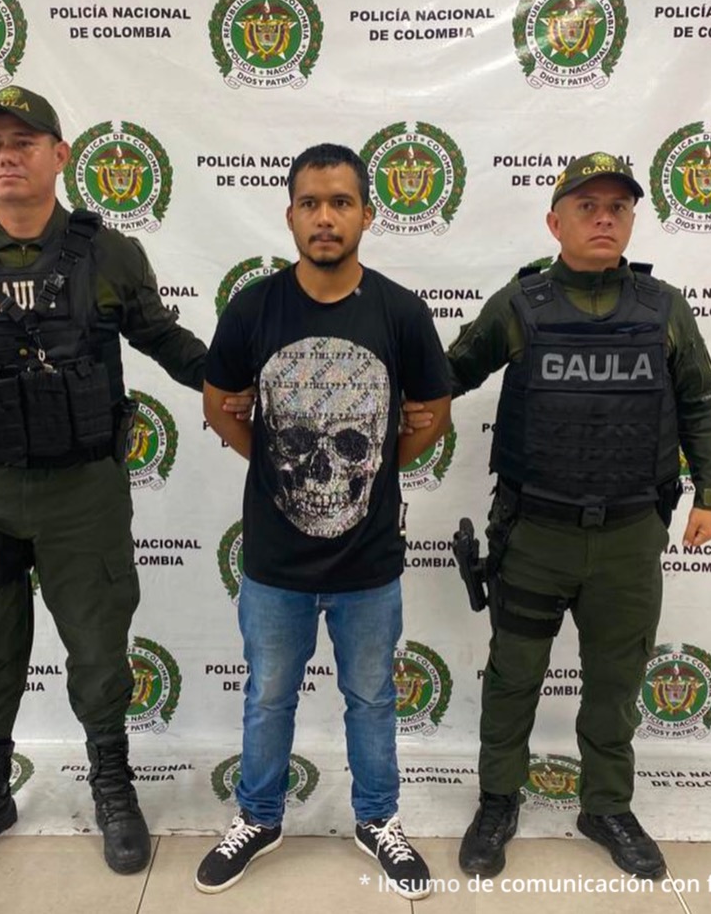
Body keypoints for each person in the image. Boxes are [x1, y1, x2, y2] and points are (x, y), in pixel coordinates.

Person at [0, 85, 241, 880]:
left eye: (25, 141)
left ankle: (111, 781)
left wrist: (240, 376)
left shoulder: (106, 253)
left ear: (60, 155)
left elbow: (166, 341)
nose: (7, 155)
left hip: (84, 494)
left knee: (100, 649)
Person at [443, 153, 711, 880]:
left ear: (631, 220)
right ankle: (499, 799)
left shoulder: (664, 308)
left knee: (615, 682)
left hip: (632, 535)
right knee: (514, 675)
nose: (605, 218)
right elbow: (447, 374)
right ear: (555, 220)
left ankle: (605, 805)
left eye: (618, 208)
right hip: (536, 531)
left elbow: (697, 401)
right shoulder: (521, 304)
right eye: (588, 206)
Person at [198, 143, 452, 899]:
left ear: (368, 215)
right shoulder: (254, 306)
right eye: (311, 202)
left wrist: (370, 463)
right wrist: (275, 456)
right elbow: (218, 401)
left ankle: (378, 819)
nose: (326, 216)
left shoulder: (401, 312)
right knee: (268, 694)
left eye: (342, 201)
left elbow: (431, 414)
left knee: (372, 696)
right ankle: (259, 815)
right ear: (291, 215)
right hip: (275, 560)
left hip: (369, 561)